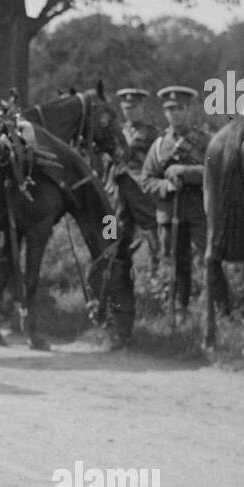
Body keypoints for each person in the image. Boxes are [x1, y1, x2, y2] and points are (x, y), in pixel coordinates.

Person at [138, 86, 208, 314]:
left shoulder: (204, 141)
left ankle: (218, 309)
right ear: (165, 113)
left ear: (189, 110)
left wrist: (185, 172)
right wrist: (166, 185)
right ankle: (180, 308)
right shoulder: (158, 146)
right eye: (170, 109)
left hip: (199, 211)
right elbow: (146, 180)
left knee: (209, 259)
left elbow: (214, 172)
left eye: (180, 109)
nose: (175, 114)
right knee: (176, 262)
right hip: (170, 214)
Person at [99, 87, 160, 348]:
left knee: (159, 249)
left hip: (144, 201)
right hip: (116, 205)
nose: (130, 110)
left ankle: (164, 301)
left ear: (142, 108)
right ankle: (116, 322)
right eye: (125, 107)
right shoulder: (117, 133)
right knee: (113, 256)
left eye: (134, 106)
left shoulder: (152, 135)